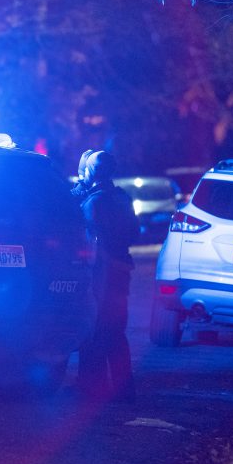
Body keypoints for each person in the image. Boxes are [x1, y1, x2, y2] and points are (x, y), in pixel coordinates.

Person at [76, 150, 139, 400]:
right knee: (115, 330)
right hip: (121, 270)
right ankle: (124, 391)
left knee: (93, 328)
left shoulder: (92, 202)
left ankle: (93, 387)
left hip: (98, 272)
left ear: (90, 172)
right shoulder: (121, 198)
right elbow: (135, 233)